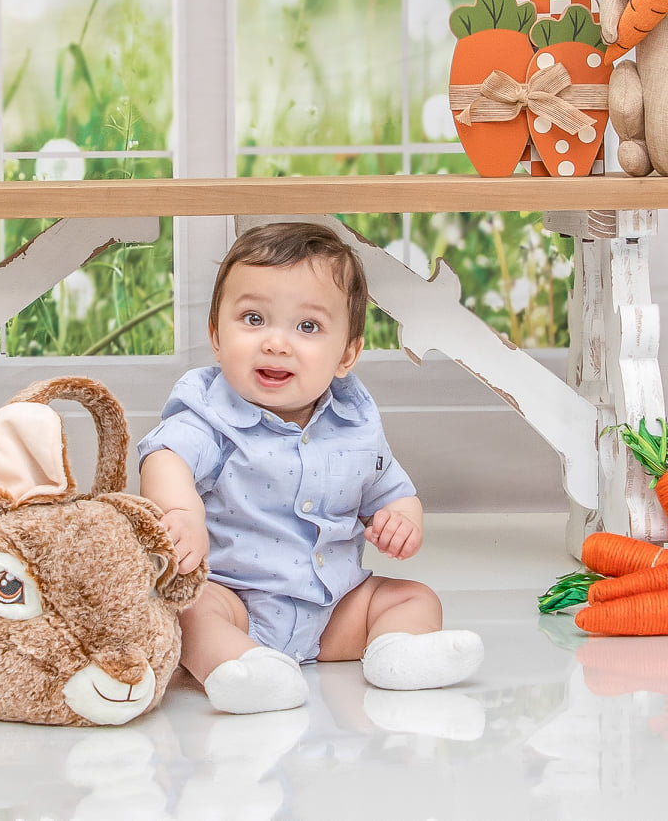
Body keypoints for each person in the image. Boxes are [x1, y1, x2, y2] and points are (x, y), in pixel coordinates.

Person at [137, 221, 484, 715]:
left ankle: (398, 652)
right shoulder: (210, 412)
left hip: (335, 609)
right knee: (187, 613)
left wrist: (403, 519)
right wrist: (181, 511)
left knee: (413, 597)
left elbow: (391, 489)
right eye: (253, 319)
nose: (276, 343)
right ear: (216, 335)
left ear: (347, 353)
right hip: (237, 600)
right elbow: (165, 456)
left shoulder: (355, 421)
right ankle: (242, 669)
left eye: (307, 327)